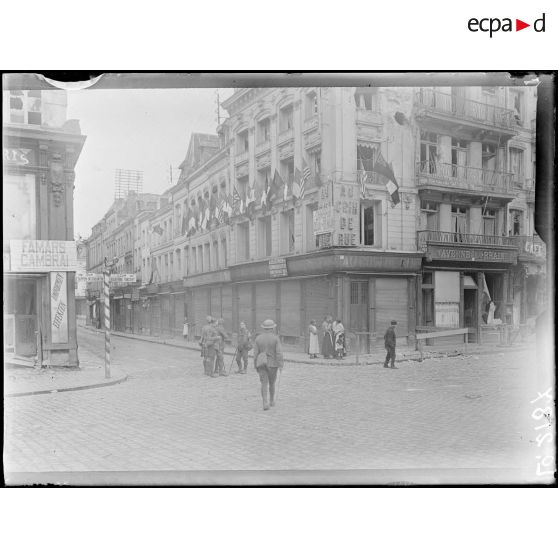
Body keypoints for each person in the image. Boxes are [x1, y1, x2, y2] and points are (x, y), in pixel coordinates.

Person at [253, 319, 284, 411]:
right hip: (273, 365)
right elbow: (279, 353)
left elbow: (255, 354)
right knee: (272, 383)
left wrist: (255, 365)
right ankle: (271, 401)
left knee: (263, 384)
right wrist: (281, 364)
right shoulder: (275, 338)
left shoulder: (258, 338)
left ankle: (265, 402)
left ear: (264, 328)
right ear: (272, 328)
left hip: (262, 364)